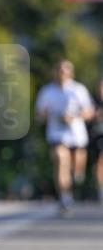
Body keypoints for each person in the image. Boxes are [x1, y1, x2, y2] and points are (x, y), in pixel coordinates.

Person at [35, 60, 94, 214]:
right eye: (60, 71)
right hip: (57, 134)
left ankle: (76, 177)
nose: (63, 74)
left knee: (76, 169)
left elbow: (89, 112)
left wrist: (74, 116)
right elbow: (39, 114)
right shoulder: (47, 91)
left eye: (66, 71)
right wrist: (47, 114)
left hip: (77, 136)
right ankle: (65, 198)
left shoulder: (78, 90)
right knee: (61, 162)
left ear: (71, 73)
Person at [88, 77, 103, 204]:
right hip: (98, 136)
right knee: (99, 162)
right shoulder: (93, 101)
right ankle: (100, 189)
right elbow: (88, 115)